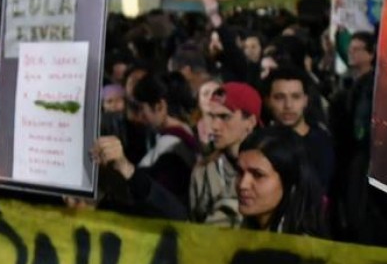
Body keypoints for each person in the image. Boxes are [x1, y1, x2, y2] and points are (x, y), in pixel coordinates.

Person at [93, 72, 200, 219]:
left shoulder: (172, 146)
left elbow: (157, 197)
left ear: (160, 106)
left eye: (141, 109)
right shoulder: (175, 134)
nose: (139, 116)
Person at [191, 82, 261, 227]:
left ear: (250, 122)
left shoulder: (273, 169)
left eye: (225, 117)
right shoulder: (202, 171)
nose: (214, 126)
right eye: (212, 116)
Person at [236, 127, 326, 236]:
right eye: (240, 172)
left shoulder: (302, 248)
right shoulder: (239, 231)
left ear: (290, 181)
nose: (242, 185)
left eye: (258, 175)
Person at [263, 67, 335, 190]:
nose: (288, 105)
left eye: (295, 97)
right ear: (268, 101)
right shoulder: (261, 142)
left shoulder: (322, 143)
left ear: (305, 100)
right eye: (280, 97)